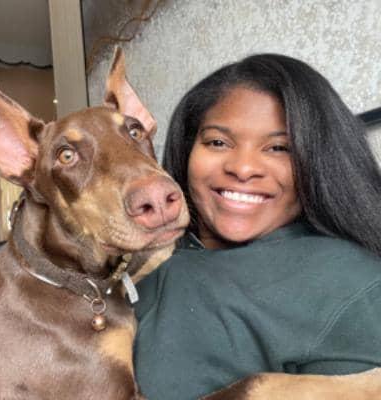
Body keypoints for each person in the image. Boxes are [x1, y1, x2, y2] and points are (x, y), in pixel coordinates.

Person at [133, 54, 381, 400]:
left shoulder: (352, 283)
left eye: (278, 148)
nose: (244, 168)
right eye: (218, 142)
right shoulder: (142, 265)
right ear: (188, 149)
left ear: (317, 160)